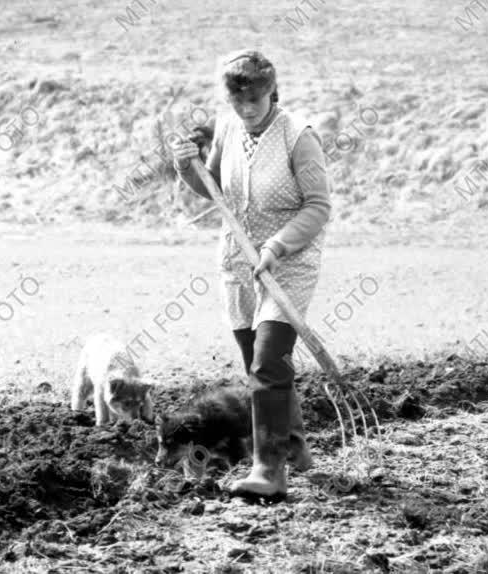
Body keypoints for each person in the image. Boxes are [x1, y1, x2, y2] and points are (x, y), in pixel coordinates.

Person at [170, 48, 332, 501]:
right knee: (260, 366)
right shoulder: (229, 127)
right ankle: (296, 447)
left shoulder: (299, 138)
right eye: (237, 103)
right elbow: (215, 191)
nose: (245, 111)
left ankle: (269, 470)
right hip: (239, 262)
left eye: (254, 103)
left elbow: (318, 206)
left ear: (271, 93)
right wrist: (187, 164)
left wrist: (277, 246)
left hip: (289, 260)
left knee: (266, 361)